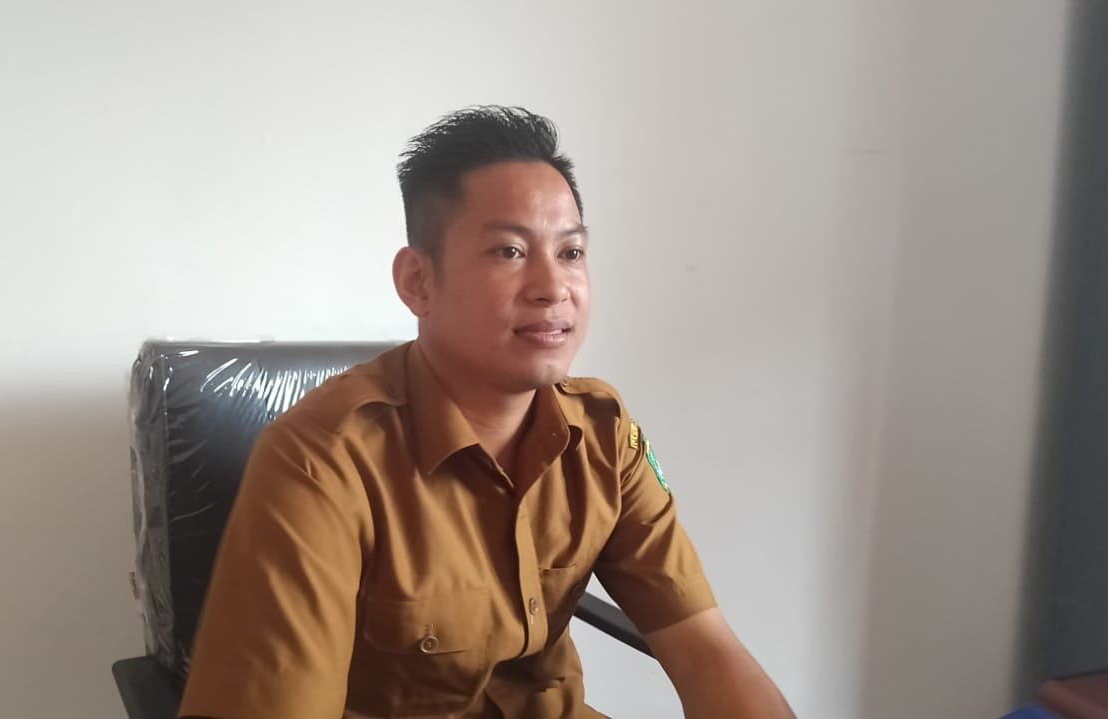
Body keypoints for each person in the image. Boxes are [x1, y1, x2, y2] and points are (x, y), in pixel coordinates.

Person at [179, 106, 794, 719]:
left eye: (571, 252)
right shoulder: (321, 461)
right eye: (509, 251)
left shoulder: (603, 435)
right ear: (418, 281)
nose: (553, 288)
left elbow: (704, 648)